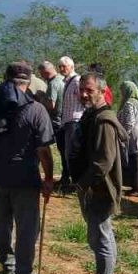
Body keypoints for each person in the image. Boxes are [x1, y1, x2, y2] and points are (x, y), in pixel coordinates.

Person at [0, 63, 56, 274]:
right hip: (24, 177)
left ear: (6, 79)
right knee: (27, 227)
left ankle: (7, 262)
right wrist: (49, 177)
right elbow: (43, 149)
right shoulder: (35, 109)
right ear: (29, 82)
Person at [68, 72, 124, 274]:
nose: (84, 94)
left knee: (100, 237)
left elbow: (103, 161)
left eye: (89, 90)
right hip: (92, 186)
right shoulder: (92, 115)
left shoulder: (103, 121)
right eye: (81, 89)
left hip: (99, 189)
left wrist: (83, 184)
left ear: (102, 91)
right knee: (101, 235)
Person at [57, 56, 83, 188]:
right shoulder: (67, 82)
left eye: (64, 66)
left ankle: (77, 182)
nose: (61, 69)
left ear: (72, 67)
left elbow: (84, 99)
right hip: (67, 122)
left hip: (75, 120)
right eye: (60, 66)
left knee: (72, 153)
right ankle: (70, 180)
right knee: (67, 152)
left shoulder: (77, 81)